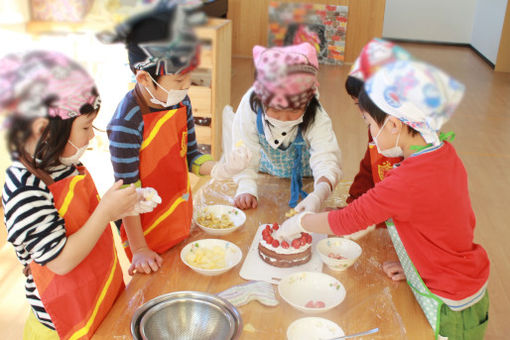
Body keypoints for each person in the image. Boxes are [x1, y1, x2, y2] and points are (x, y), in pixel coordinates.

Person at [277, 59, 490, 339]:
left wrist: (300, 223)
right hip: (460, 280)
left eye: (368, 121)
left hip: (450, 307)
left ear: (393, 125)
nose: (369, 131)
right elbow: (443, 230)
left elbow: (347, 221)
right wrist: (415, 266)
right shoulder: (442, 153)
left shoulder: (408, 179)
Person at [0, 51, 143, 340]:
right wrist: (105, 212)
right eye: (86, 127)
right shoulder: (23, 186)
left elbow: (89, 220)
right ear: (46, 130)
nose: (91, 137)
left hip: (99, 302)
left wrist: (117, 210)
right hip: (62, 327)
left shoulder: (66, 165)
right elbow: (60, 261)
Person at [100, 0, 249, 275]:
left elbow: (191, 154)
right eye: (178, 82)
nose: (186, 87)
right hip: (144, 230)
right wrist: (140, 249)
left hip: (179, 214)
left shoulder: (180, 102)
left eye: (188, 78)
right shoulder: (126, 123)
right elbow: (126, 193)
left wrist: (221, 168)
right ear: (144, 78)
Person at [232, 42, 342, 212]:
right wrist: (246, 186)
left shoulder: (316, 114)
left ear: (307, 103)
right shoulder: (249, 106)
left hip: (305, 179)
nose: (284, 118)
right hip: (264, 175)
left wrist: (319, 193)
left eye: (294, 111)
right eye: (275, 110)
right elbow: (244, 148)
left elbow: (326, 157)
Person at [345, 39, 410, 230]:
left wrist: (367, 219)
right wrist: (352, 207)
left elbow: (415, 211)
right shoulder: (379, 127)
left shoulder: (419, 148)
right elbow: (369, 168)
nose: (360, 114)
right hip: (381, 218)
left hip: (407, 233)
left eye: (361, 106)